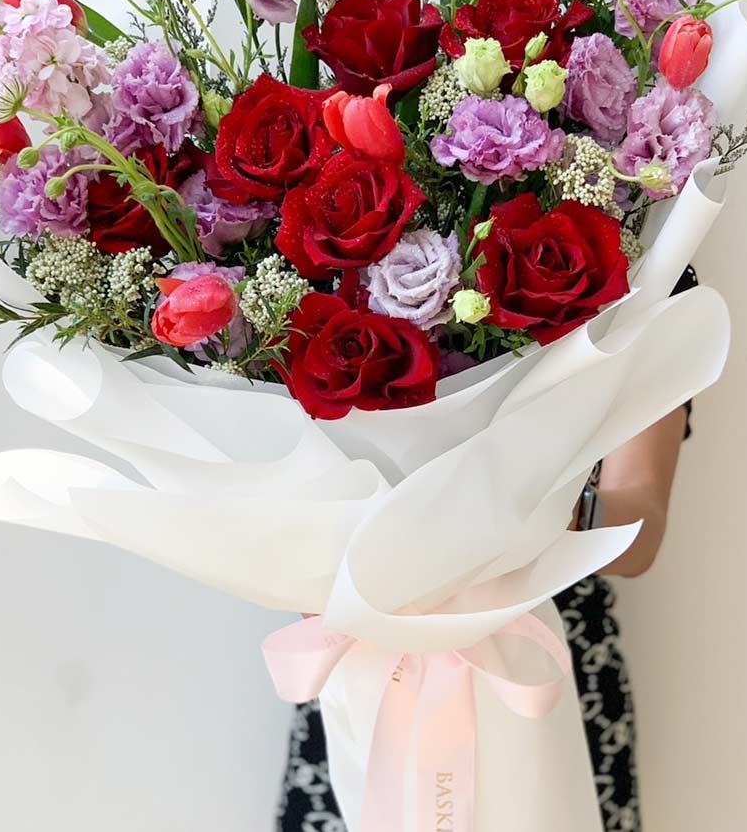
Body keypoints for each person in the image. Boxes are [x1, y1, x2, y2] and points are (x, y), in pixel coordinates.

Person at [277, 267, 699, 832]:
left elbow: (639, 529)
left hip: (550, 655)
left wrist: (529, 514)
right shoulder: (318, 263)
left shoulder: (650, 260)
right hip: (369, 665)